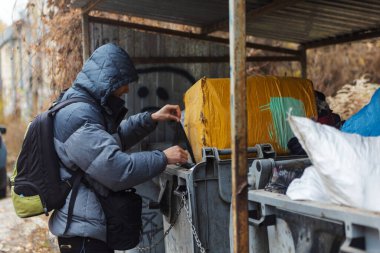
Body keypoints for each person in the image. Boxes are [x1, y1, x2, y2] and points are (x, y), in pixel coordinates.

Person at [49, 43, 188, 253]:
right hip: (83, 234)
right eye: (121, 90)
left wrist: (150, 119)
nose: (126, 92)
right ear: (108, 82)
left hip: (89, 227)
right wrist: (162, 158)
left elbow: (109, 142)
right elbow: (115, 169)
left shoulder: (83, 108)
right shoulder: (77, 116)